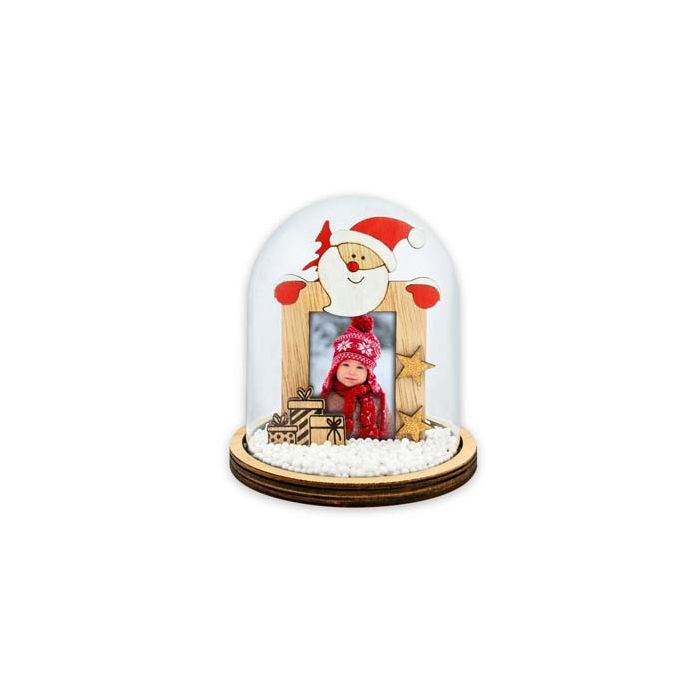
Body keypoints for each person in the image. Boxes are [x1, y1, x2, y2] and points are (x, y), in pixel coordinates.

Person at [320, 315, 390, 439]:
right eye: (345, 365)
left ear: (369, 373)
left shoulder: (377, 401)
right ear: (335, 368)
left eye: (360, 367)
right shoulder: (327, 398)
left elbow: (389, 431)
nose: (352, 372)